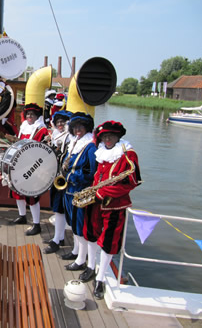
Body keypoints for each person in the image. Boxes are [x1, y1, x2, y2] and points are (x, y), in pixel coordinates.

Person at [81, 121, 141, 299]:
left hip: (114, 205)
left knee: (109, 241)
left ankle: (100, 279)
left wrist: (102, 192)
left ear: (118, 137)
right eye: (104, 137)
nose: (107, 139)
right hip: (95, 201)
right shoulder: (101, 152)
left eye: (111, 136)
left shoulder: (128, 154)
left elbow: (131, 182)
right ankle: (91, 266)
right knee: (90, 233)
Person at [61, 112, 97, 272]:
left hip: (80, 192)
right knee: (73, 223)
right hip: (70, 190)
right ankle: (76, 251)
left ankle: (81, 260)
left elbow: (91, 173)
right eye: (75, 127)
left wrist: (71, 176)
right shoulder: (75, 143)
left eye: (81, 127)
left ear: (87, 128)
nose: (78, 130)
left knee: (80, 225)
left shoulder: (90, 146)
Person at [10, 103, 49, 235]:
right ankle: (22, 216)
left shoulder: (42, 130)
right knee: (18, 192)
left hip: (33, 166)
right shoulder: (24, 127)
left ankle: (36, 224)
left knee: (31, 196)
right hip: (20, 164)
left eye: (32, 114)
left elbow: (44, 151)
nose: (29, 116)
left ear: (37, 116)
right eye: (27, 114)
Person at [43, 110, 73, 253]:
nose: (60, 124)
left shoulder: (71, 139)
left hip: (67, 179)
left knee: (62, 209)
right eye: (58, 121)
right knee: (57, 208)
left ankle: (58, 239)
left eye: (64, 121)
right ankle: (59, 237)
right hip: (56, 177)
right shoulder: (55, 136)